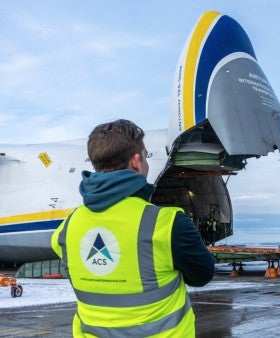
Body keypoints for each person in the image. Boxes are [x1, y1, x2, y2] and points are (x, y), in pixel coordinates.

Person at [50, 119, 215, 337]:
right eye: (146, 157)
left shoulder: (66, 229)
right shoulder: (168, 224)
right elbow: (202, 276)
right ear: (136, 161)